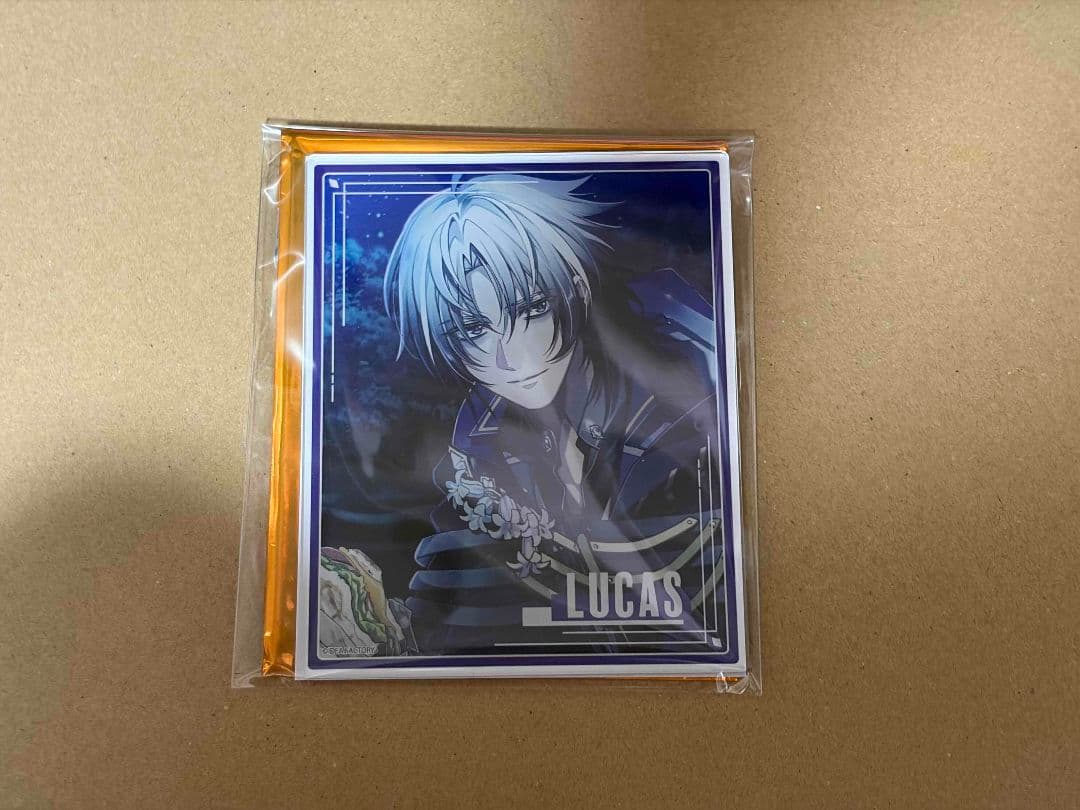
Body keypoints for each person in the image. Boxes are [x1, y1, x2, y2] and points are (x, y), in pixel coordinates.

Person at [383, 174, 725, 653]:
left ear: (576, 291)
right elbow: (452, 574)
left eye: (532, 309)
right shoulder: (480, 435)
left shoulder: (686, 396)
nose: (511, 358)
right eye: (474, 330)